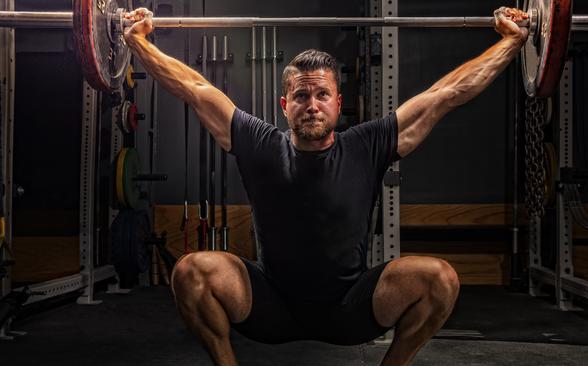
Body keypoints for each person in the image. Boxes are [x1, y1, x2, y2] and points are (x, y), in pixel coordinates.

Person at [123, 6, 528, 366]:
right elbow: (194, 88)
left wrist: (511, 41)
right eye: (301, 96)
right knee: (192, 270)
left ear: (338, 100)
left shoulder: (366, 145)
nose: (312, 104)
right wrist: (139, 42)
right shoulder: (260, 144)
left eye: (322, 94)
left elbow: (447, 93)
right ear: (285, 105)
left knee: (440, 278)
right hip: (270, 305)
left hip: (351, 307)